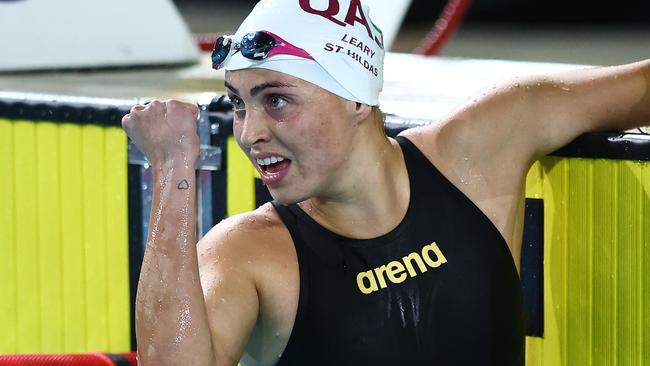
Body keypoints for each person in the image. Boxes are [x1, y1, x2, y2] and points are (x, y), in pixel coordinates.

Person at [121, 0, 650, 365]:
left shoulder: (477, 154)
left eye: (276, 100)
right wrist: (170, 169)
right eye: (239, 104)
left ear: (355, 97)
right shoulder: (249, 254)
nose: (250, 133)